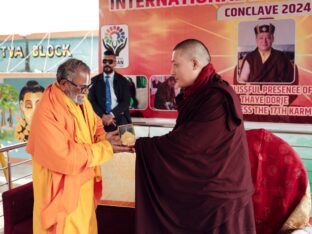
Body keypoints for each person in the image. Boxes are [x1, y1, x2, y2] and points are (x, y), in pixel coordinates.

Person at [135, 39, 256, 233]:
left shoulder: (216, 97)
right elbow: (184, 137)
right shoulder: (199, 93)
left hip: (222, 197)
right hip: (209, 190)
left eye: (176, 64)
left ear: (194, 63)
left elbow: (187, 143)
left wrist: (142, 145)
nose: (172, 71)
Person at [26, 58, 132, 234]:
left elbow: (95, 125)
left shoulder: (80, 101)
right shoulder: (46, 111)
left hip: (83, 188)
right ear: (64, 84)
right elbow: (65, 157)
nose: (85, 91)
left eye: (87, 87)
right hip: (61, 197)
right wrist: (106, 148)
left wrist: (105, 137)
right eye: (82, 87)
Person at [89, 50, 131, 132]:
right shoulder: (94, 81)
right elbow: (91, 101)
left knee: (126, 143)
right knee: (101, 144)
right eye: (104, 61)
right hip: (100, 121)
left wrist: (111, 115)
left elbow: (126, 102)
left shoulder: (123, 80)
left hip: (121, 119)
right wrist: (103, 116)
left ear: (115, 63)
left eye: (110, 61)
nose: (107, 64)